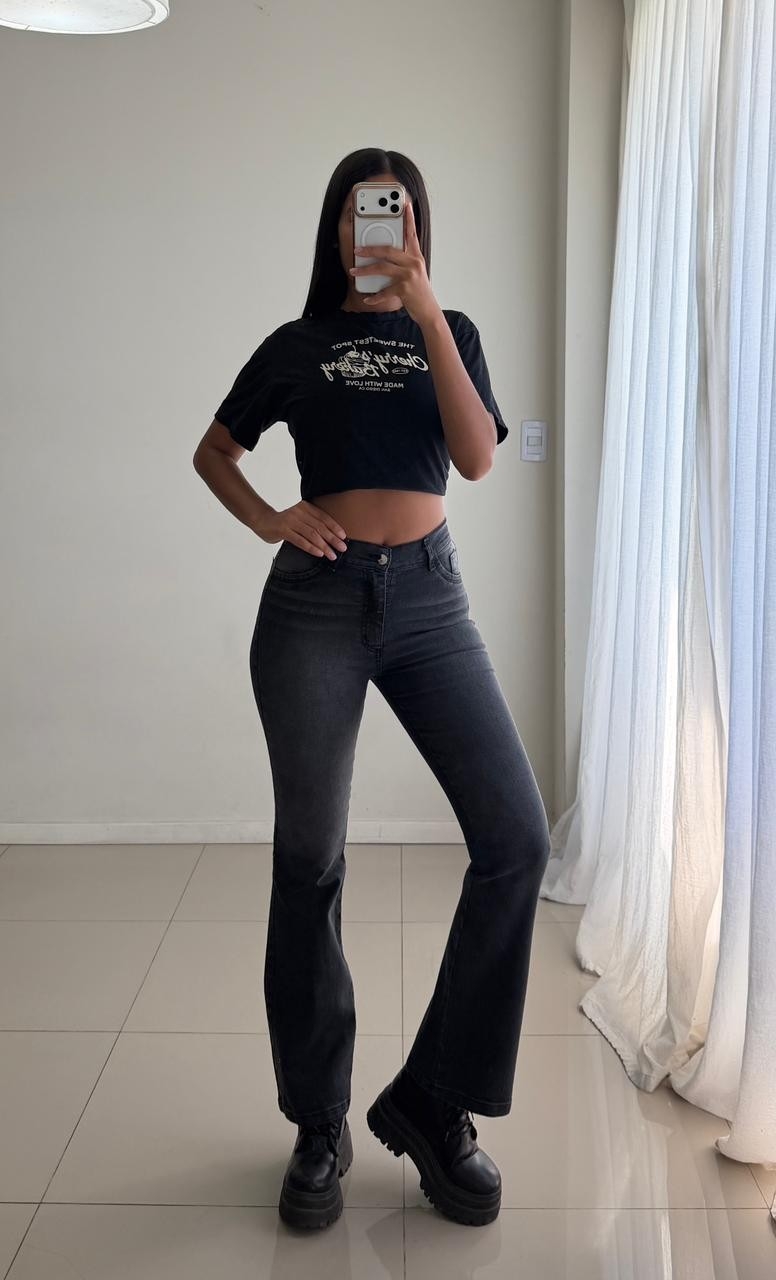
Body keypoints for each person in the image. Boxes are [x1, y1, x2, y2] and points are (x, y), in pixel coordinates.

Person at [193, 148, 551, 1231]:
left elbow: (477, 459)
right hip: (315, 602)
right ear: (334, 230)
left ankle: (434, 1099)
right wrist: (272, 518)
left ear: (416, 228)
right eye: (357, 215)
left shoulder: (453, 331)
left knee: (516, 837)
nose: (373, 230)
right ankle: (318, 1120)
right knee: (309, 859)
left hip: (431, 599)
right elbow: (214, 451)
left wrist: (427, 310)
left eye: (390, 214)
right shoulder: (296, 343)